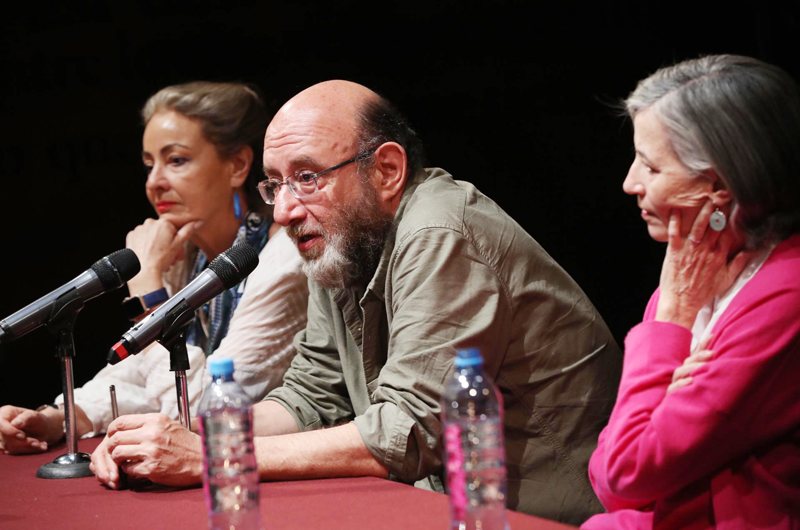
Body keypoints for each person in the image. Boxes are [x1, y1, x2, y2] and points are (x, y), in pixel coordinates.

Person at [91, 80, 621, 525]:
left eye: (306, 177)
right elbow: (309, 397)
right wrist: (176, 441)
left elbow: (407, 430)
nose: (284, 211)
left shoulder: (439, 231)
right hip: (446, 508)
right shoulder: (342, 241)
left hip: (541, 518)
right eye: (275, 185)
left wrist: (210, 456)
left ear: (387, 170)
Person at [0, 82, 308, 455]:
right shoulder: (187, 256)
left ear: (238, 165)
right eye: (149, 165)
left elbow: (200, 410)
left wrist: (146, 282)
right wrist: (60, 418)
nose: (153, 183)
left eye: (176, 160)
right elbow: (134, 373)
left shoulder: (284, 261)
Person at [584, 55, 800, 529]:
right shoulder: (685, 281)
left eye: (652, 167)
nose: (629, 183)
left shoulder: (786, 297)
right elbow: (607, 478)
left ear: (719, 187)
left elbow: (625, 472)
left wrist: (674, 324)